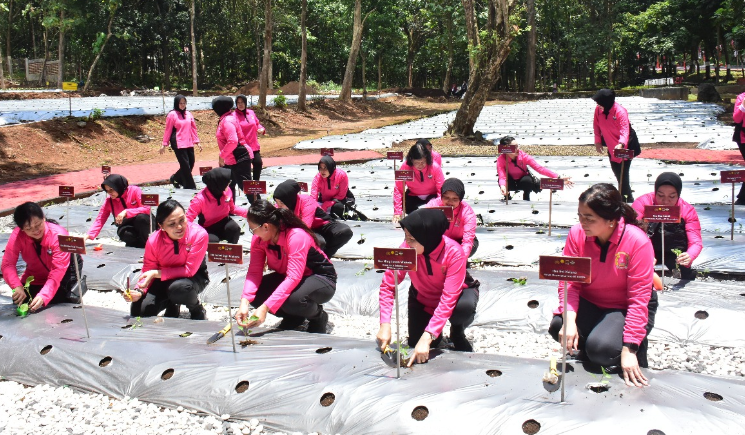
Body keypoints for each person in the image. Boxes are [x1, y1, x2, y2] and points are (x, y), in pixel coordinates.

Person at [548, 183, 657, 388]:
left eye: (589, 218)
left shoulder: (637, 241)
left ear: (611, 220)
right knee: (558, 327)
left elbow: (638, 298)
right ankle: (592, 345)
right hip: (591, 301)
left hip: (623, 307)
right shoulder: (577, 234)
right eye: (579, 216)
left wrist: (629, 349)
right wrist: (569, 321)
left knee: (601, 350)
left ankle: (629, 345)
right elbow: (570, 283)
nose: (582, 223)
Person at [376, 208, 480, 366]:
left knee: (461, 311)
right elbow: (388, 286)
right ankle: (435, 331)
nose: (406, 242)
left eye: (411, 238)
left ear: (427, 238)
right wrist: (385, 324)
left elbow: (449, 298)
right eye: (406, 237)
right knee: (417, 344)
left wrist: (428, 336)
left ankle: (457, 330)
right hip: (423, 299)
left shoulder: (454, 253)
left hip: (455, 299)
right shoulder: (407, 249)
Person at [235, 200, 337, 333]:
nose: (253, 234)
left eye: (253, 229)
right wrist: (244, 302)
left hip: (320, 277)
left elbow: (293, 277)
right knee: (256, 294)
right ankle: (294, 317)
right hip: (288, 276)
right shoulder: (259, 240)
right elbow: (254, 272)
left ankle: (318, 317)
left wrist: (265, 308)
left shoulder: (296, 236)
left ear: (266, 226)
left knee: (294, 300)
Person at [125, 200, 209, 320]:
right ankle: (172, 304)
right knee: (139, 311)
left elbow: (189, 270)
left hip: (193, 277)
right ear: (161, 226)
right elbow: (149, 268)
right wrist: (139, 290)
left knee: (178, 289)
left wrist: (156, 273)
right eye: (171, 224)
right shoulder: (154, 240)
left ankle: (196, 308)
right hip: (162, 278)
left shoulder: (199, 235)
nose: (179, 227)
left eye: (182, 220)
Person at [2, 202, 84, 312]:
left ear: (44, 218)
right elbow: (8, 264)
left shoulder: (59, 235)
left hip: (64, 273)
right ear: (21, 229)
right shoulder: (17, 236)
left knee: (58, 305)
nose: (35, 231)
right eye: (29, 228)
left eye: (38, 225)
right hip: (36, 273)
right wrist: (16, 286)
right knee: (22, 301)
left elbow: (57, 270)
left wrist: (43, 296)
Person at [632, 172, 702, 280]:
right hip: (647, 249)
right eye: (660, 196)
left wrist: (690, 255)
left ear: (678, 195)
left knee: (685, 275)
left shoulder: (687, 210)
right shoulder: (642, 203)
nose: (665, 201)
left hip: (673, 252)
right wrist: (645, 254)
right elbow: (632, 232)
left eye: (672, 197)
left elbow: (696, 242)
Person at [274, 179, 353, 258]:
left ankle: (325, 255)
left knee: (345, 232)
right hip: (305, 230)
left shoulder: (306, 201)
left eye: (281, 203)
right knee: (319, 242)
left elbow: (305, 226)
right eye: (277, 202)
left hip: (321, 226)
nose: (278, 205)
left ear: (289, 199)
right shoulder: (279, 207)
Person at [84, 174, 153, 248]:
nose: (110, 193)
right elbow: (100, 219)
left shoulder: (135, 190)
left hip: (144, 223)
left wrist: (126, 212)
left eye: (111, 189)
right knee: (125, 234)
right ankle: (138, 247)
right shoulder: (109, 202)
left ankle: (150, 245)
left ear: (119, 186)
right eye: (107, 191)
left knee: (141, 218)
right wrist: (88, 236)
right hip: (128, 225)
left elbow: (147, 208)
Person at [592, 89, 636, 202]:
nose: (598, 105)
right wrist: (598, 141)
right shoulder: (598, 110)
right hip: (611, 146)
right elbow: (596, 126)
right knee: (617, 172)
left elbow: (624, 130)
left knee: (623, 173)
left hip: (625, 146)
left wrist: (621, 144)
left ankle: (626, 199)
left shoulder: (620, 111)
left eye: (600, 103)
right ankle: (625, 196)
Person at [496, 136, 572, 201]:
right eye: (514, 147)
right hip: (510, 181)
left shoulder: (523, 156)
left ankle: (526, 197)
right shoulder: (501, 159)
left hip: (523, 181)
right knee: (502, 182)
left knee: (527, 180)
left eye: (517, 146)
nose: (518, 148)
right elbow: (502, 176)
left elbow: (540, 169)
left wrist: (558, 177)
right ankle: (507, 196)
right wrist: (503, 186)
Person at [186, 167, 247, 244]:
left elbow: (232, 208)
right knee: (213, 241)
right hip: (208, 228)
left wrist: (249, 214)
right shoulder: (199, 200)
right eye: (227, 182)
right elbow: (188, 219)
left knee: (234, 229)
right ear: (218, 184)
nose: (229, 183)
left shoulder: (227, 191)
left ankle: (231, 253)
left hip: (224, 222)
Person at [212, 96, 253, 201]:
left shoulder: (227, 121)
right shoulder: (226, 118)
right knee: (228, 183)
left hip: (239, 157)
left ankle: (262, 212)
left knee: (246, 186)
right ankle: (230, 208)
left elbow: (233, 141)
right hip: (230, 159)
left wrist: (222, 155)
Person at [425, 178, 478, 258]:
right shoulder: (433, 206)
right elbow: (421, 226)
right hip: (438, 241)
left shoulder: (467, 212)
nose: (450, 202)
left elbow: (467, 241)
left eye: (455, 199)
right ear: (441, 196)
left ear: (460, 199)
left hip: (459, 241)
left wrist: (461, 259)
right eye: (446, 198)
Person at [393, 142, 445, 223]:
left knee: (433, 211)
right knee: (406, 206)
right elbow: (398, 189)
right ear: (411, 160)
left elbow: (441, 189)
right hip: (414, 194)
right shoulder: (405, 167)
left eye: (423, 162)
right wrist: (397, 212)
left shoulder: (435, 167)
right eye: (416, 163)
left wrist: (441, 207)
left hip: (432, 195)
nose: (420, 165)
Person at [161, 95, 201, 190]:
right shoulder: (172, 114)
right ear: (176, 103)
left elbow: (193, 129)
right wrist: (164, 144)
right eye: (180, 103)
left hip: (188, 141)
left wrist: (197, 142)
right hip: (178, 142)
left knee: (191, 163)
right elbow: (168, 130)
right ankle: (190, 186)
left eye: (184, 103)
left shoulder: (188, 114)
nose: (182, 105)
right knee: (185, 165)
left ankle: (176, 178)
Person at [234, 94, 266, 203]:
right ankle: (253, 197)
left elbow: (257, 124)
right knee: (246, 173)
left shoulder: (251, 113)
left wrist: (261, 129)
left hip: (254, 146)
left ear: (245, 103)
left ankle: (256, 186)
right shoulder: (234, 116)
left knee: (258, 163)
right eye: (238, 103)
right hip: (243, 149)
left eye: (242, 102)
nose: (240, 104)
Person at [731, 91, 745, 205]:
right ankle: (742, 198)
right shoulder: (741, 97)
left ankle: (742, 197)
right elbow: (736, 119)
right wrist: (743, 106)